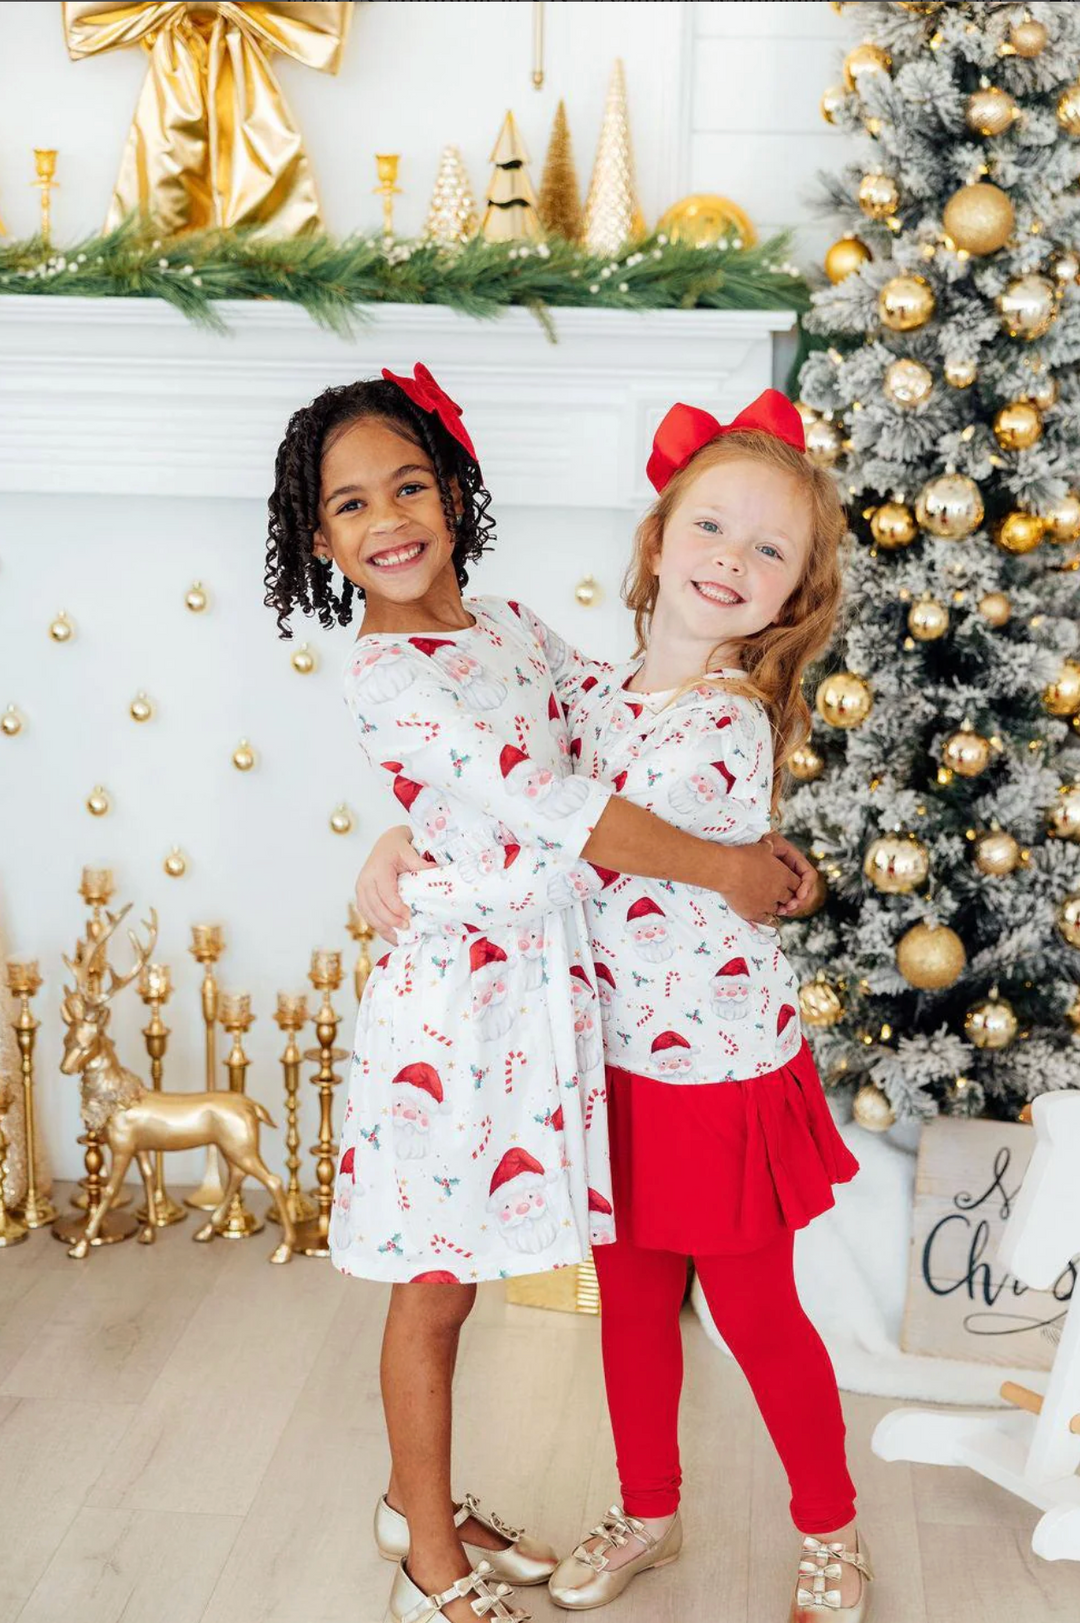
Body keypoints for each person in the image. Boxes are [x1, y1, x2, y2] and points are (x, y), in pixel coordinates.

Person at [264, 367, 816, 1623]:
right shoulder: (388, 676)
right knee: (436, 1286)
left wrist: (405, 835)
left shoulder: (506, 625)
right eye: (351, 504)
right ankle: (429, 1563)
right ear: (320, 539)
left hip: (543, 998)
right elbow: (562, 807)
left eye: (410, 485)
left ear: (454, 494)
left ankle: (412, 1500)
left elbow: (604, 719)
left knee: (468, 1274)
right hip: (456, 1013)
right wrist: (727, 868)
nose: (388, 519)